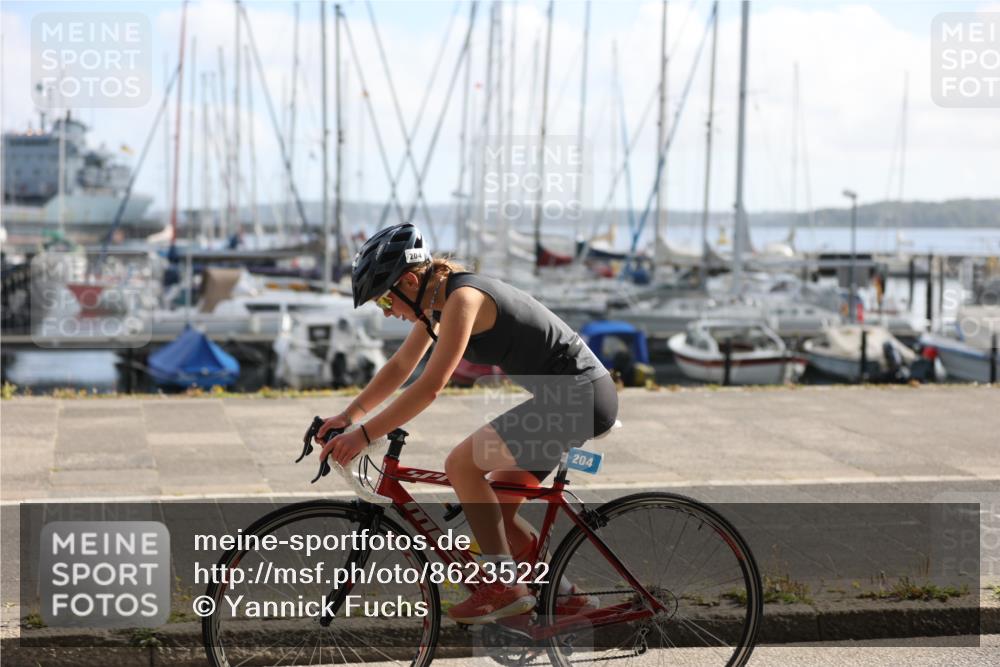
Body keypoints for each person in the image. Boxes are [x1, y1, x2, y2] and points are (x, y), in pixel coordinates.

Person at [316, 223, 618, 624]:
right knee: (497, 511)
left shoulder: (463, 299)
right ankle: (565, 598)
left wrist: (366, 434)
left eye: (386, 302)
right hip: (569, 397)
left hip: (579, 396)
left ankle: (503, 587)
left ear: (409, 280)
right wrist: (348, 416)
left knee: (461, 464)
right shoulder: (436, 305)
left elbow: (430, 386)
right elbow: (401, 366)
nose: (388, 313)